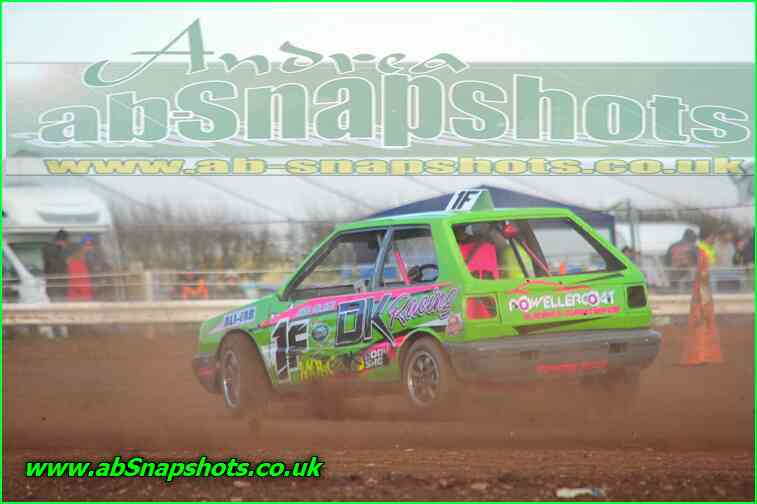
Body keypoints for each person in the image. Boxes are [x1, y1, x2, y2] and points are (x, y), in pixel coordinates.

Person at [680, 226, 723, 366]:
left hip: (699, 290)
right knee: (703, 322)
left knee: (699, 322)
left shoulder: (698, 250)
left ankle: (699, 354)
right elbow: (703, 275)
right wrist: (706, 296)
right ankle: (702, 355)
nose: (714, 239)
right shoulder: (702, 252)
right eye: (713, 237)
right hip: (702, 291)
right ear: (708, 236)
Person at [42, 229, 70, 301]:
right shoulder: (52, 250)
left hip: (55, 286)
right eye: (66, 241)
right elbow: (57, 267)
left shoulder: (48, 248)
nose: (66, 244)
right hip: (56, 287)